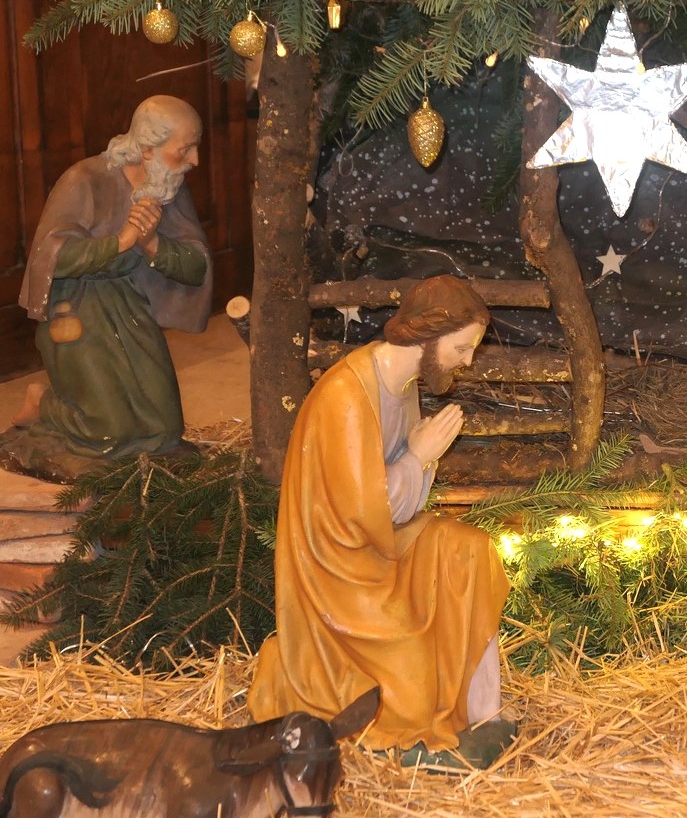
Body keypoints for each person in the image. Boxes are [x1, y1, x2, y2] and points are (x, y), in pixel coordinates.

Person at [248, 275, 514, 769]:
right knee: (410, 687)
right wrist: (418, 455)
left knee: (471, 549)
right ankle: (413, 712)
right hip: (338, 572)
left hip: (381, 544)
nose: (467, 361)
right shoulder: (347, 396)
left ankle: (484, 713)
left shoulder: (403, 383)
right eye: (461, 348)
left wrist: (418, 458)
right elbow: (363, 512)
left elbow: (399, 508)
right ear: (427, 335)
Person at [14, 94, 212, 458]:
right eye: (185, 150)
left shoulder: (168, 187)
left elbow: (196, 265)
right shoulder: (84, 179)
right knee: (108, 430)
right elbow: (50, 257)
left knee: (165, 430)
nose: (194, 161)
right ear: (148, 149)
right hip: (74, 308)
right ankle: (42, 402)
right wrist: (120, 242)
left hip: (129, 305)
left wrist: (152, 243)